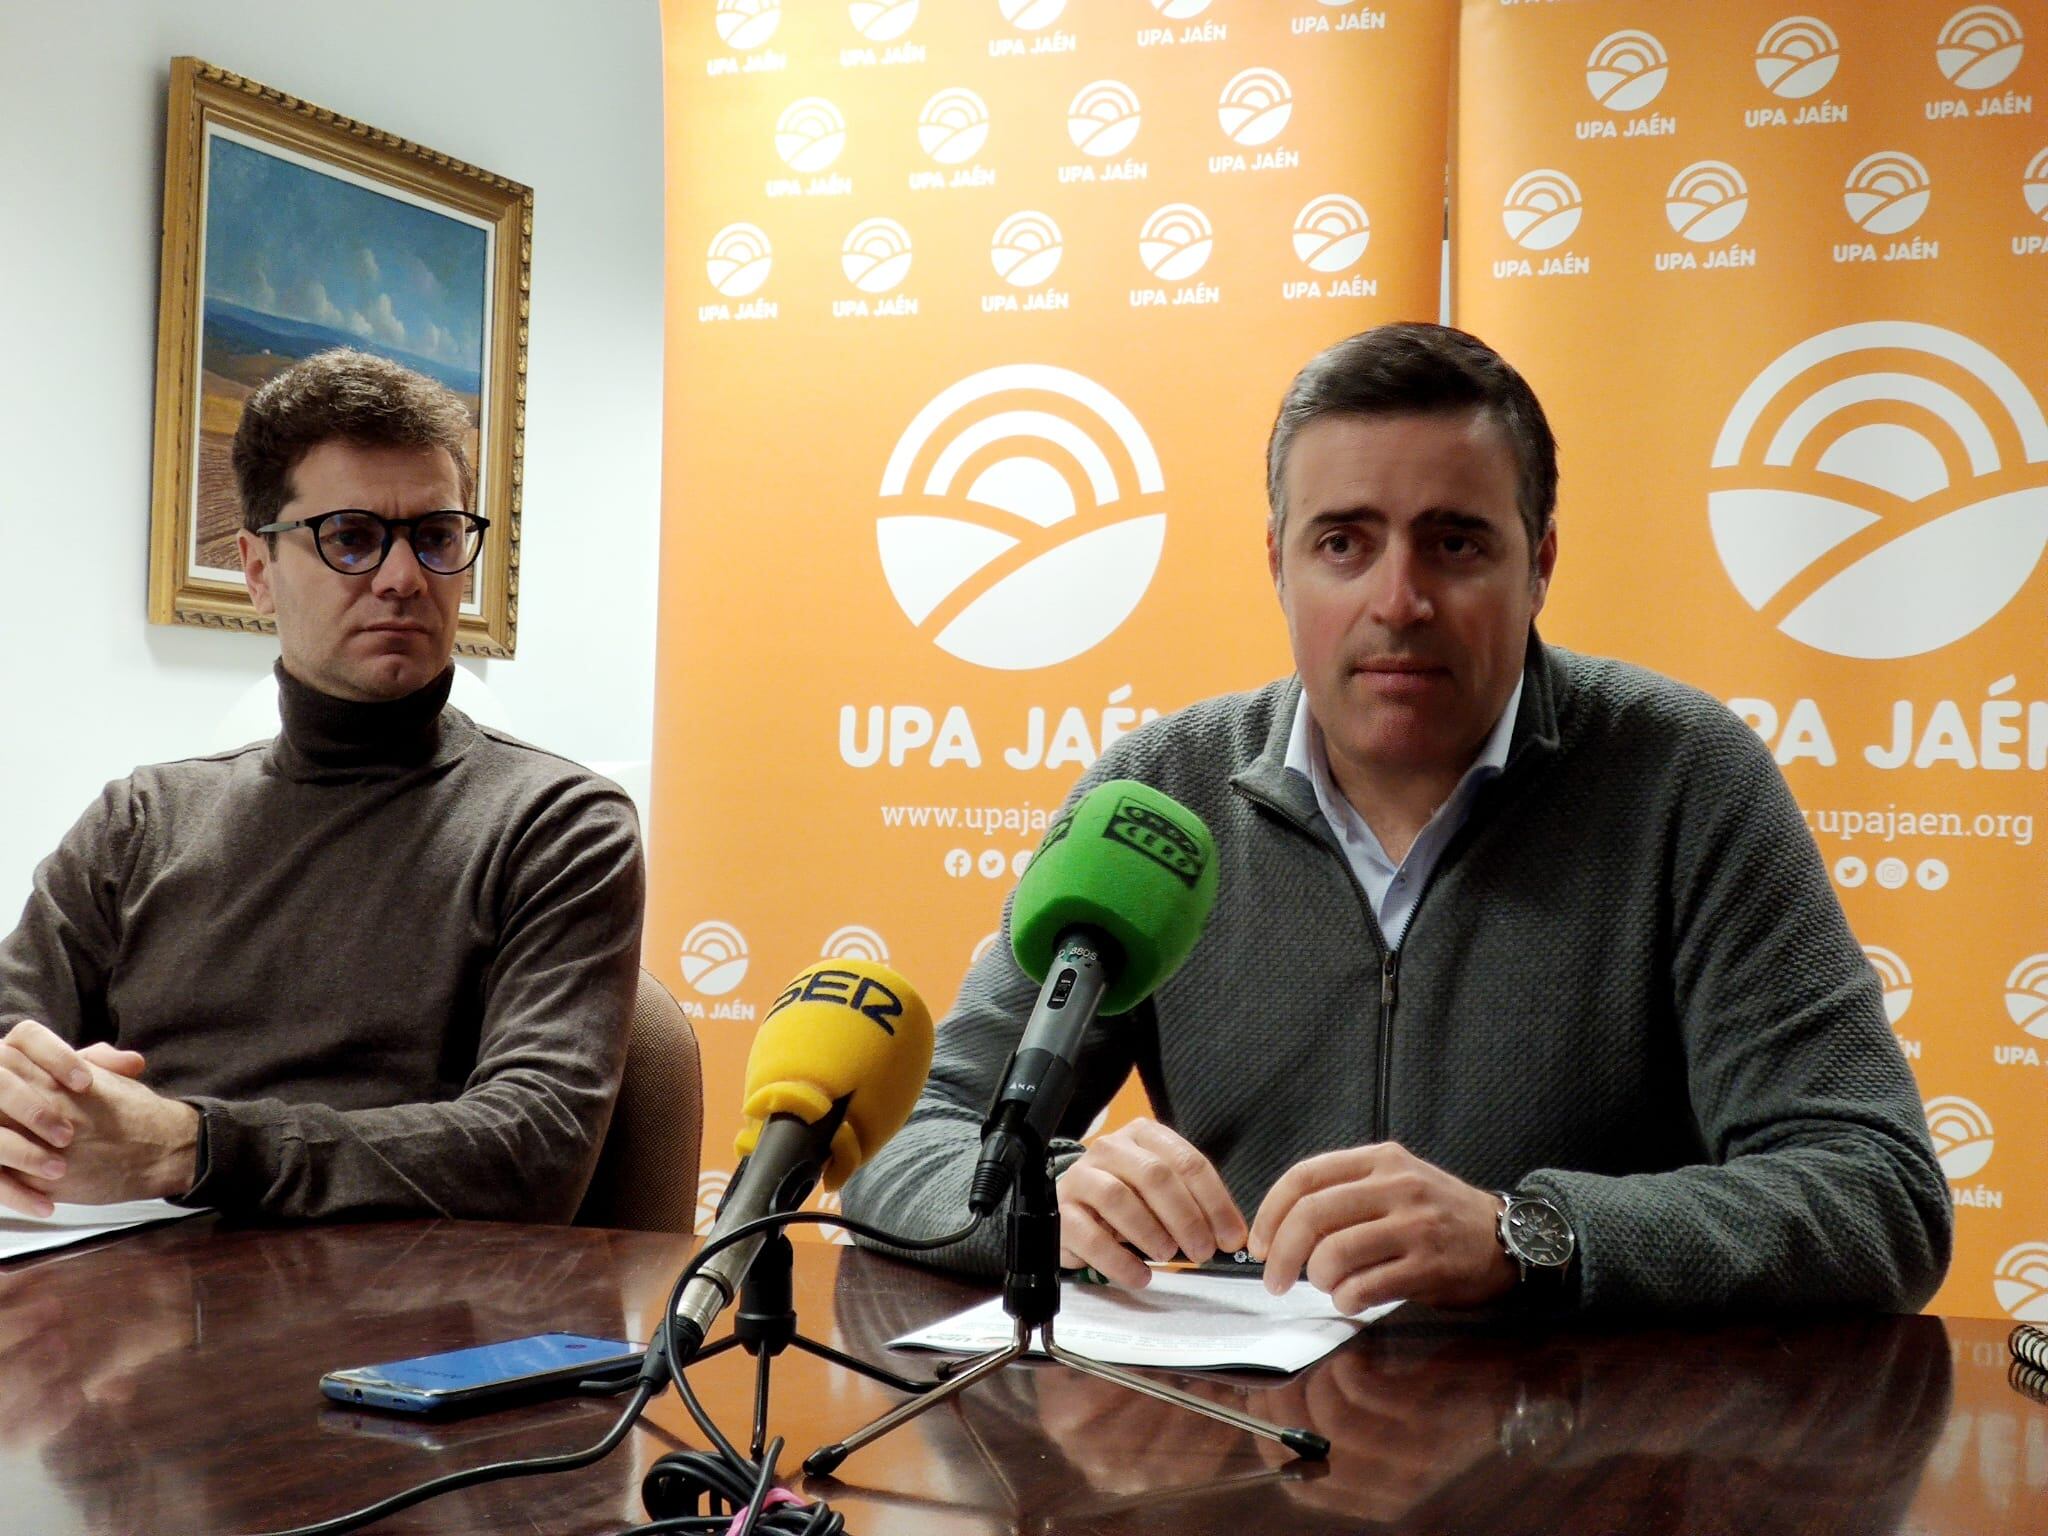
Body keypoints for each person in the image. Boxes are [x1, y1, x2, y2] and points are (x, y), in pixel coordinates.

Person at [842, 323, 1951, 1315]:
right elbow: (917, 1146)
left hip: (1586, 1463)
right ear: (1276, 564)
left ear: (1540, 565)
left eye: (1454, 543)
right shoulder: (1157, 796)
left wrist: (1531, 1237)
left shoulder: (1683, 779)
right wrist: (1044, 1195)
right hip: (1241, 1460)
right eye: (1343, 544)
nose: (1396, 600)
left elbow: (1875, 1191)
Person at [0, 349, 644, 1225]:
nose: (403, 578)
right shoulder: (138, 822)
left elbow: (533, 1149)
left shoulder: (554, 823)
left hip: (395, 1328)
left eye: (437, 536)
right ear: (257, 570)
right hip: (107, 1305)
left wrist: (190, 1147)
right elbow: (13, 1044)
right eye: (350, 538)